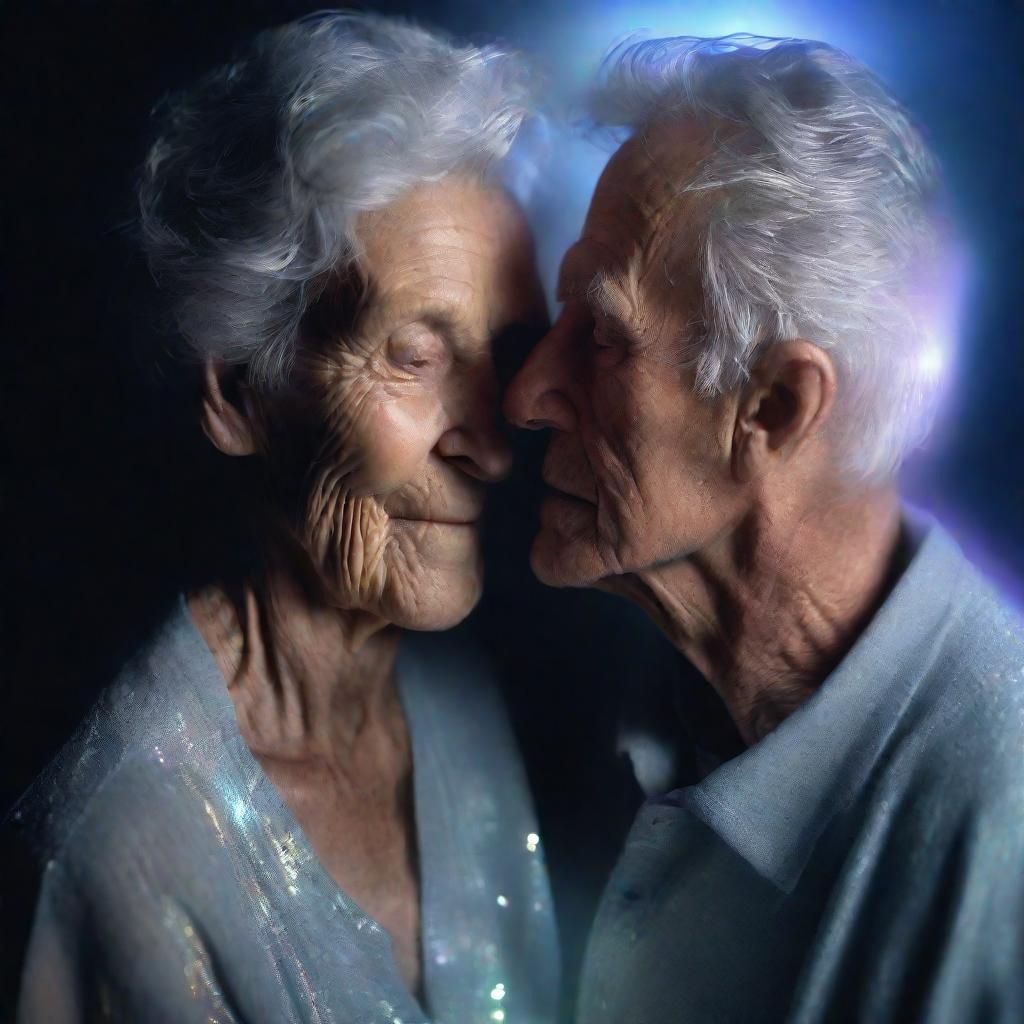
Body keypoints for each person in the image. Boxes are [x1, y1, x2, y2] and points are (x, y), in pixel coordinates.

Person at [5, 13, 557, 1022]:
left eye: (501, 353)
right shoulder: (125, 835)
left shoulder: (467, 705)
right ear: (239, 396)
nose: (491, 438)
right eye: (413, 356)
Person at [505, 34, 1024, 1023]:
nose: (528, 394)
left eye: (604, 338)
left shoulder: (1001, 855)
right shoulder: (656, 711)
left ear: (776, 408)